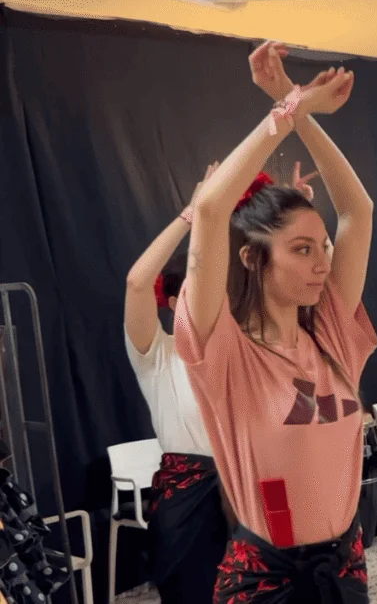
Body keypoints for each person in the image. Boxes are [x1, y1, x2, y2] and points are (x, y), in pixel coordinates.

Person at [174, 41, 377, 603]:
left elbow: (357, 210)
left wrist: (302, 111)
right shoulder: (223, 349)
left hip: (343, 571)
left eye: (322, 247)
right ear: (252, 257)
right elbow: (212, 209)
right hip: (265, 582)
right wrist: (287, 110)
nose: (322, 264)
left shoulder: (331, 334)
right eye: (301, 250)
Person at [123, 162, 230, 603]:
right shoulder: (157, 353)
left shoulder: (237, 349)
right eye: (193, 291)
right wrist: (192, 214)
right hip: (186, 497)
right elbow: (136, 282)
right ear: (172, 301)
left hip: (242, 485)